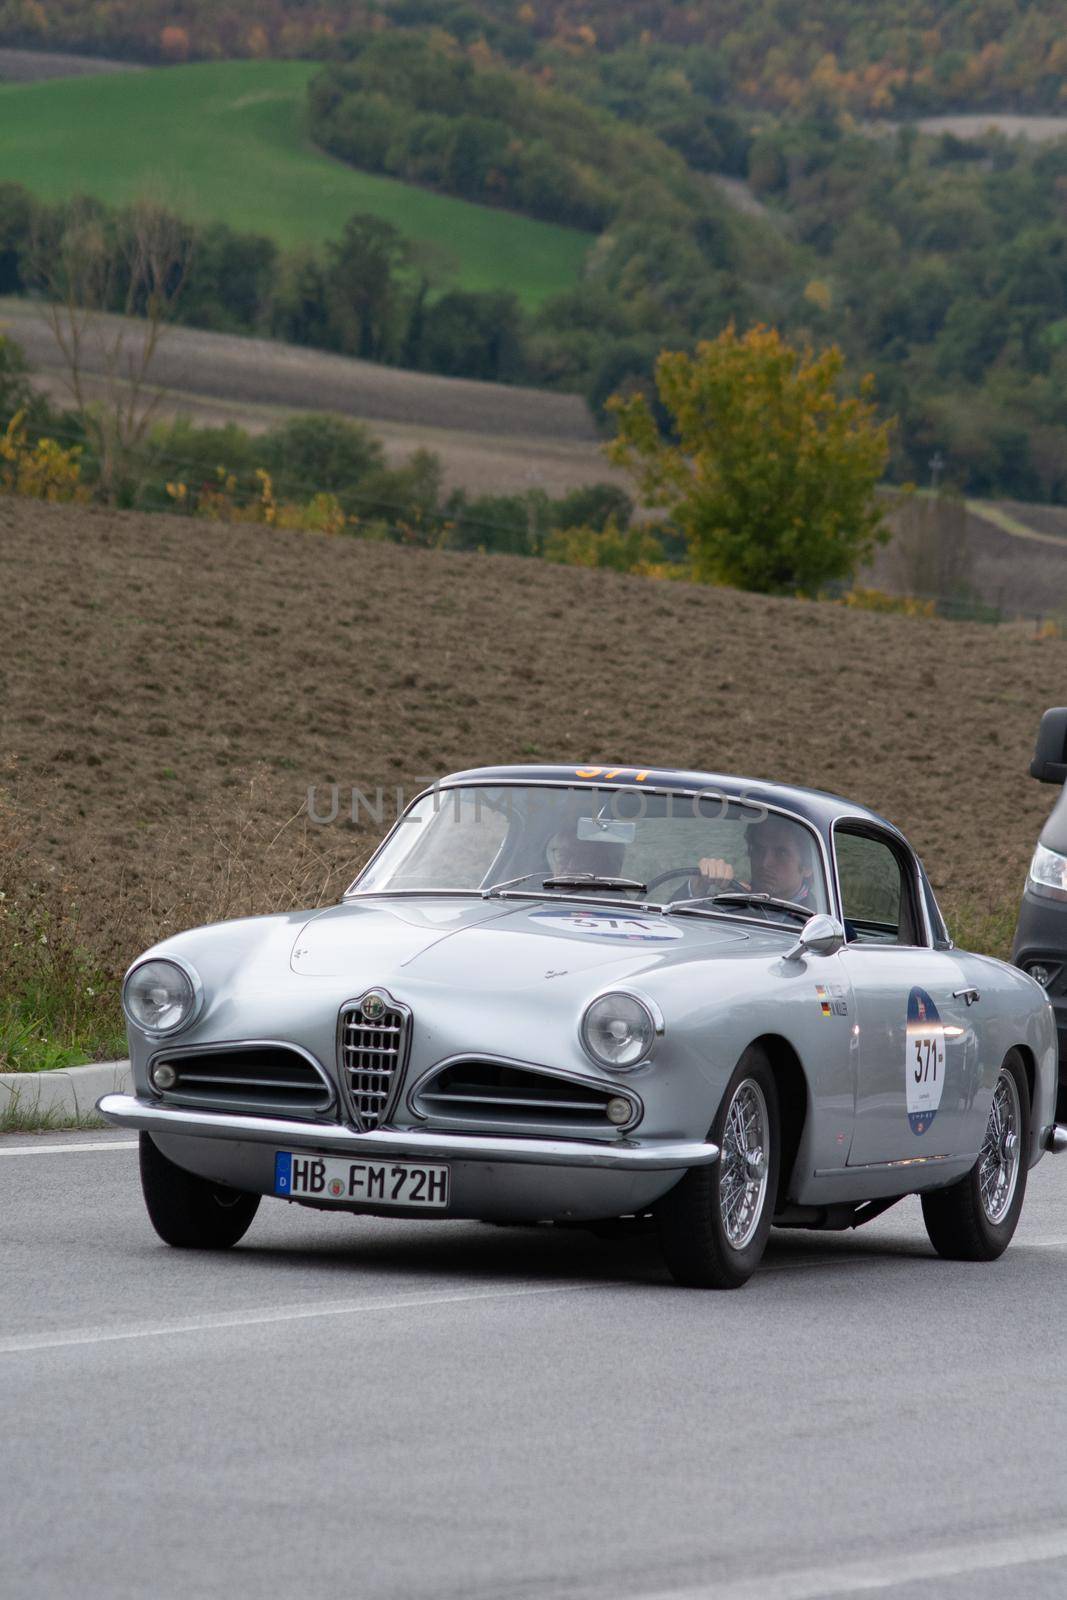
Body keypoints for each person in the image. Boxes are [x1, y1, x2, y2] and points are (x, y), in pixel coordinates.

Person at [690, 814, 819, 907]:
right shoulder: (726, 901)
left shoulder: (819, 920)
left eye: (781, 853)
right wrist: (697, 887)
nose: (765, 863)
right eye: (758, 849)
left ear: (808, 867)